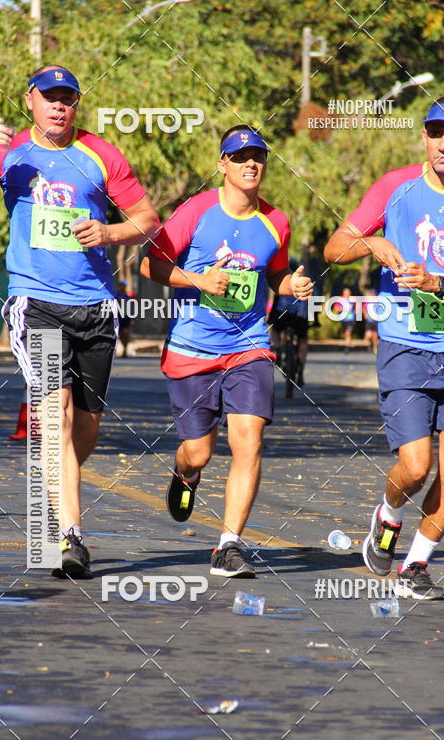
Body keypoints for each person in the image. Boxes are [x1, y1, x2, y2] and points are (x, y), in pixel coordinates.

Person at [0, 64, 159, 579]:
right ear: (30, 100)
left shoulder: (102, 153)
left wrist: (110, 233)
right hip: (36, 302)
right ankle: (68, 537)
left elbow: (147, 221)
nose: (58, 106)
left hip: (95, 306)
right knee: (57, 418)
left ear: (76, 104)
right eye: (50, 97)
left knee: (85, 428)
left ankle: (54, 485)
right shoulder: (8, 153)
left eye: (67, 98)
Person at [324, 95, 444, 599]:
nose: (443, 142)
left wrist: (441, 283)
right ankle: (388, 515)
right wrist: (371, 244)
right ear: (424, 138)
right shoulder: (395, 186)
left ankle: (415, 566)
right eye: (434, 132)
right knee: (416, 466)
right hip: (405, 345)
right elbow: (334, 247)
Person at [140, 124, 313, 577]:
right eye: (239, 157)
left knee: (249, 442)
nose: (250, 163)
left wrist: (290, 284)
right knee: (198, 451)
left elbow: (274, 274)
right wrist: (198, 280)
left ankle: (229, 545)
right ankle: (186, 473)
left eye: (257, 156)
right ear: (222, 165)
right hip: (193, 348)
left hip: (249, 346)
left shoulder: (275, 221)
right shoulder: (195, 212)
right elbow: (150, 263)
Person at [269, 289, 309, 382]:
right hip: (300, 317)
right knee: (303, 340)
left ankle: (277, 349)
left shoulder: (283, 281)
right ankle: (301, 371)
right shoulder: (306, 283)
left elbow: (276, 300)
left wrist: (271, 318)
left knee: (275, 330)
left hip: (282, 314)